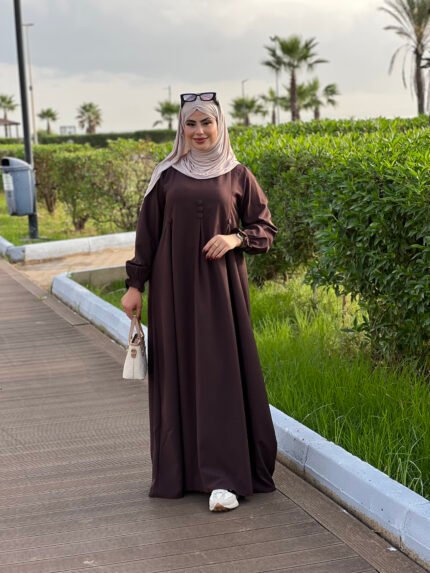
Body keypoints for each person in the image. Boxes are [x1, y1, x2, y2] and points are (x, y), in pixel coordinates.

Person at [121, 91, 278, 512]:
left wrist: (235, 239)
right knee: (178, 370)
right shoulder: (166, 175)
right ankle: (182, 473)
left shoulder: (238, 175)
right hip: (172, 294)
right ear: (181, 129)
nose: (199, 131)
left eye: (206, 122)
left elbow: (264, 229)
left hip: (221, 292)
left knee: (219, 372)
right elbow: (147, 235)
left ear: (219, 124)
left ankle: (224, 478)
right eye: (190, 124)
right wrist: (135, 285)